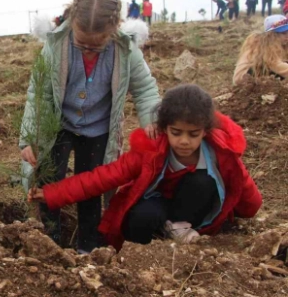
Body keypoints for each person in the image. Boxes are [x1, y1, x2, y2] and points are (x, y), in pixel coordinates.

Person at [28, 84, 262, 251]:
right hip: (156, 206)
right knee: (142, 217)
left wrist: (248, 211)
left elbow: (243, 185)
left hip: (190, 211)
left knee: (201, 182)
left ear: (205, 131)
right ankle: (145, 249)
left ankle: (179, 229)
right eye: (176, 132)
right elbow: (103, 177)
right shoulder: (150, 152)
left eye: (193, 134)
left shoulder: (221, 153)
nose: (184, 141)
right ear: (164, 128)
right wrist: (51, 193)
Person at [19, 0, 161, 253]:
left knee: (91, 186)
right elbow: (39, 94)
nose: (87, 50)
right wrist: (30, 137)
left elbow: (144, 88)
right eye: (81, 44)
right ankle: (49, 242)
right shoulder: (56, 45)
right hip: (58, 126)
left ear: (113, 31)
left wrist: (151, 119)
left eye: (96, 47)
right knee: (49, 180)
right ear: (72, 25)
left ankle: (88, 246)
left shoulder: (125, 50)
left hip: (98, 131)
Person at [233, 14, 288, 85]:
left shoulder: (281, 44)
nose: (287, 36)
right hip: (244, 77)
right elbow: (276, 65)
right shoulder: (264, 45)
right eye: (283, 33)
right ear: (271, 35)